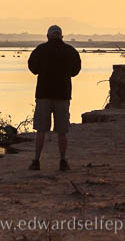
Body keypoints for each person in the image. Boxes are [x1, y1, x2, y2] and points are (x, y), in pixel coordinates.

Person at [27, 24, 81, 171]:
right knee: (62, 131)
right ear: (61, 36)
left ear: (48, 36)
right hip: (63, 95)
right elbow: (76, 70)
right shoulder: (70, 51)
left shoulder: (40, 50)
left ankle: (36, 160)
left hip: (44, 94)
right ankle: (63, 161)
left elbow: (32, 68)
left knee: (41, 130)